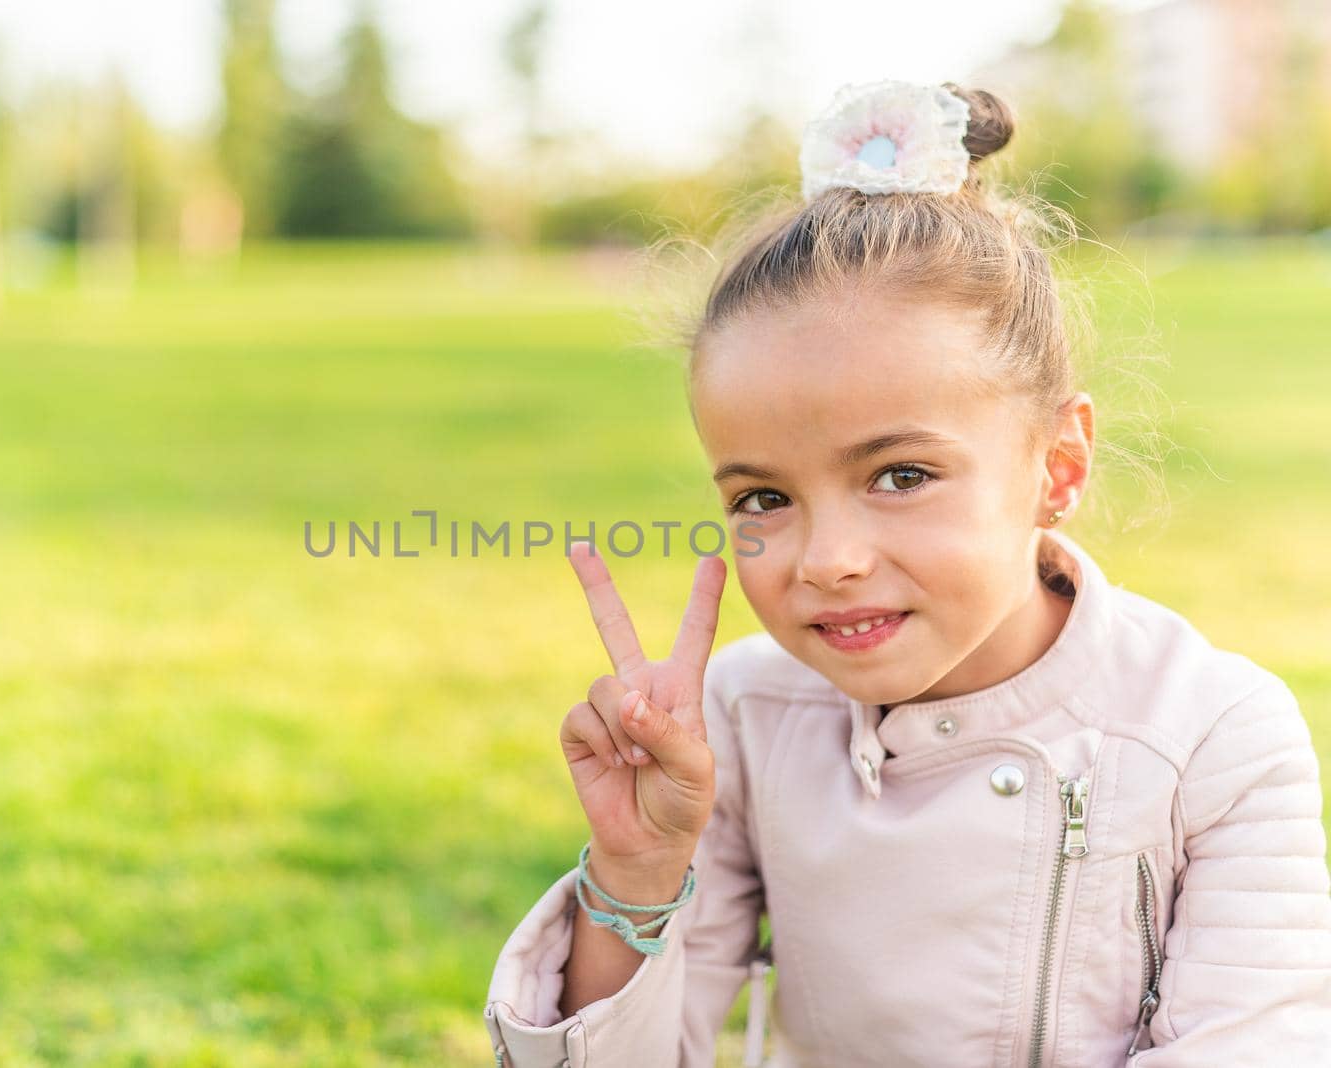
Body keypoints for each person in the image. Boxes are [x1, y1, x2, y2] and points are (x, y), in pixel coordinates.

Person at [481, 80, 1331, 1067]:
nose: (826, 560)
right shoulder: (742, 719)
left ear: (1056, 466)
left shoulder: (1212, 731)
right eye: (762, 498)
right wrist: (634, 874)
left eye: (900, 475)